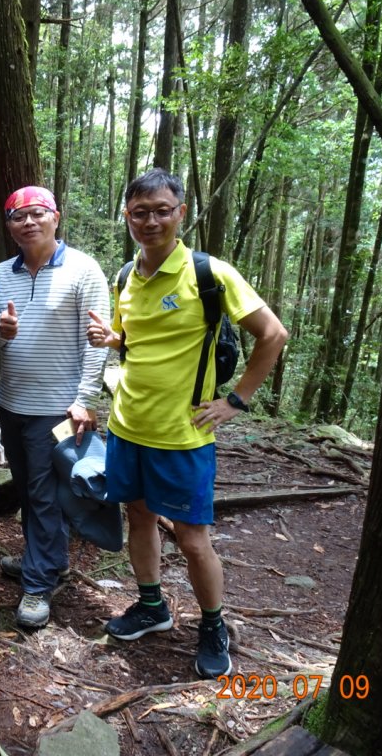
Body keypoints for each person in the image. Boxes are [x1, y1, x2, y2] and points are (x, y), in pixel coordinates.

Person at [87, 168, 288, 678]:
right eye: (139, 212)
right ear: (127, 217)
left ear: (180, 213)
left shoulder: (210, 274)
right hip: (127, 424)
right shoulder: (125, 277)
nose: (150, 220)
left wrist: (235, 402)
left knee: (193, 538)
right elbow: (137, 341)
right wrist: (114, 340)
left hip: (182, 435)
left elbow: (273, 335)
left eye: (160, 210)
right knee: (138, 518)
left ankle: (212, 624)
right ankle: (152, 606)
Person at [0, 186, 109, 628]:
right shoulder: (1, 273)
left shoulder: (83, 270)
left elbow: (98, 344)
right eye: (18, 216)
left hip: (57, 408)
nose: (29, 222)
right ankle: (48, 559)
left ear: (56, 217)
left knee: (41, 495)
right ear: (9, 226)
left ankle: (38, 585)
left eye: (38, 213)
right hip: (11, 401)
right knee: (29, 489)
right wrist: (1, 328)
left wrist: (85, 400)